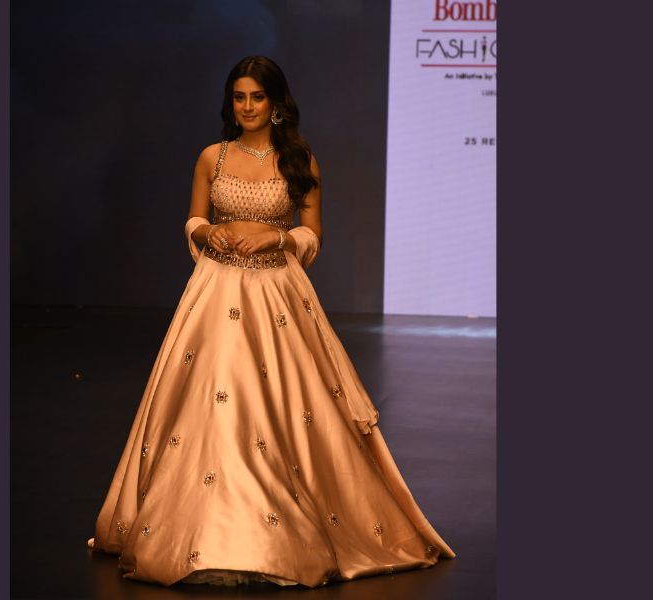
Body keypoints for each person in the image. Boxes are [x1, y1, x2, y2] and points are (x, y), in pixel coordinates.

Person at [87, 56, 455, 587]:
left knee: (279, 406)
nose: (247, 107)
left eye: (257, 97)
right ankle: (203, 529)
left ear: (276, 103)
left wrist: (276, 237)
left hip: (276, 294)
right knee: (211, 399)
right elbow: (194, 217)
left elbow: (313, 235)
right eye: (239, 97)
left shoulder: (298, 160)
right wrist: (206, 234)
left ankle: (274, 534)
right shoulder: (212, 156)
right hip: (215, 289)